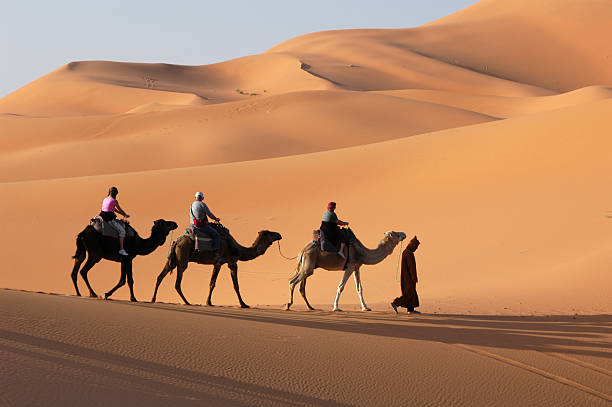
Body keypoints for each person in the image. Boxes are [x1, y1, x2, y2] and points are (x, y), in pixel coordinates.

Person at [391, 236, 421, 314]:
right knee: (409, 294)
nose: (416, 248)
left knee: (411, 293)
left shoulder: (406, 252)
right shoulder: (408, 253)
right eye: (416, 246)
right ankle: (396, 303)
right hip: (408, 278)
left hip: (407, 277)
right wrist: (414, 277)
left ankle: (410, 310)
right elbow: (411, 267)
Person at [190, 192, 223, 261]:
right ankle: (216, 254)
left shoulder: (192, 205)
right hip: (201, 226)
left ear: (195, 197)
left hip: (192, 226)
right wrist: (216, 219)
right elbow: (209, 214)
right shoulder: (202, 204)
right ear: (202, 198)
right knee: (216, 235)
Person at [100, 186, 130, 256]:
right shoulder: (114, 201)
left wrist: (123, 214)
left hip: (102, 217)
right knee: (122, 231)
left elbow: (112, 209)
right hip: (109, 219)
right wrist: (125, 214)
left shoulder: (105, 199)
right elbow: (119, 209)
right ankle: (121, 249)